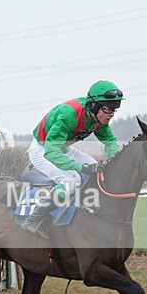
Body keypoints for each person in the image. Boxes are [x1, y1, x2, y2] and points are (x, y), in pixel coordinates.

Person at [22, 80, 124, 238]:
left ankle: (85, 209)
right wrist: (81, 167)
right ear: (94, 105)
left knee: (96, 168)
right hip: (43, 150)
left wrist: (114, 159)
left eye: (114, 109)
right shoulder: (68, 114)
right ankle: (33, 219)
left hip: (62, 148)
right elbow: (51, 152)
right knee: (71, 181)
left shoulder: (99, 118)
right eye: (108, 109)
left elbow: (110, 142)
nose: (111, 114)